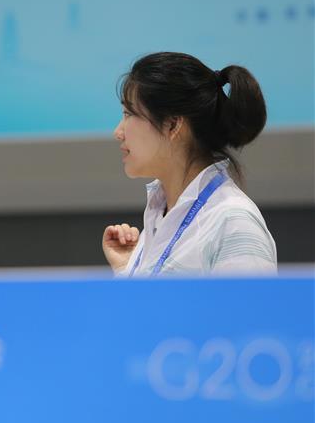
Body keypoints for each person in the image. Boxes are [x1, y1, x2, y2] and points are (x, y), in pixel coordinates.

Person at [103, 52, 277, 276]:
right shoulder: (161, 215)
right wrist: (127, 271)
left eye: (129, 114)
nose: (118, 132)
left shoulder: (233, 223)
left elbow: (251, 311)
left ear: (173, 125)